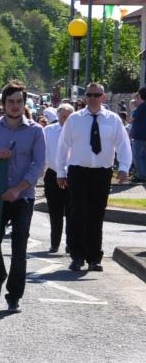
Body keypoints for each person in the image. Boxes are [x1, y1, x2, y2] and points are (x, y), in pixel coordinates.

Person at [0, 80, 45, 312]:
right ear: (4, 104)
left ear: (24, 103)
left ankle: (14, 295)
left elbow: (38, 165)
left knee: (19, 248)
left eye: (19, 102)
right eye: (11, 102)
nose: (15, 106)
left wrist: (18, 189)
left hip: (23, 196)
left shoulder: (36, 131)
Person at [56, 82, 132, 272]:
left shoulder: (113, 120)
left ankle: (93, 257)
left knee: (96, 215)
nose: (92, 98)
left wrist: (123, 168)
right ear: (84, 98)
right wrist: (61, 172)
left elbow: (123, 145)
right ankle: (77, 256)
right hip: (78, 171)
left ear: (103, 97)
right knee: (78, 213)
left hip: (102, 172)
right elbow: (63, 146)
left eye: (96, 95)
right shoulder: (74, 119)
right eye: (89, 95)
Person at [43, 103, 74, 253]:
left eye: (68, 117)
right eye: (62, 117)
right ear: (58, 117)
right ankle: (55, 243)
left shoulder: (78, 131)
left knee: (71, 212)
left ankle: (71, 243)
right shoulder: (48, 131)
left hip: (72, 176)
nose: (65, 119)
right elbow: (42, 153)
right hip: (53, 174)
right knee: (55, 212)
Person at [129, 87, 146, 183]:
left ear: (140, 96)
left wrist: (132, 108)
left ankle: (141, 175)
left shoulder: (142, 106)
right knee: (143, 157)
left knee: (137, 156)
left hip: (140, 137)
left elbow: (131, 119)